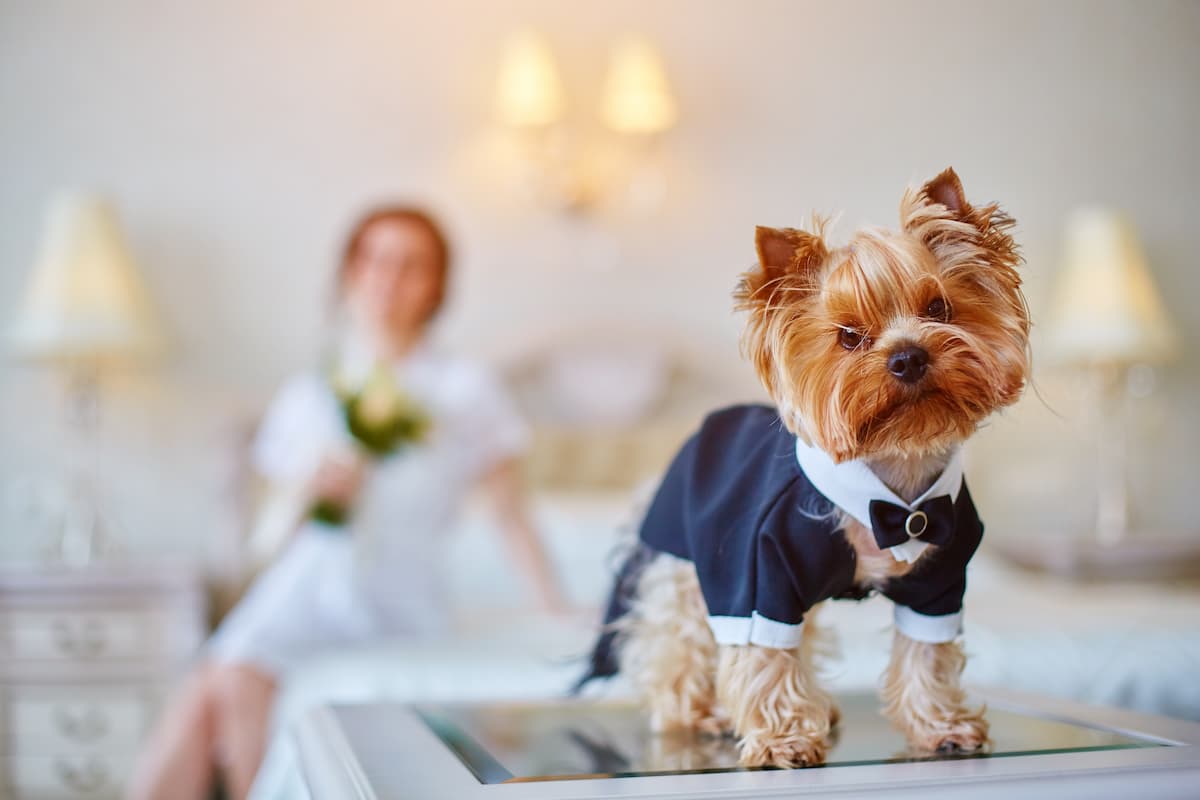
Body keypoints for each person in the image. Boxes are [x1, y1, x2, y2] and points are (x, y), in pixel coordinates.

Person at [129, 206, 567, 800]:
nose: (391, 278)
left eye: (413, 265)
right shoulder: (308, 392)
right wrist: (309, 492)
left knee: (223, 678)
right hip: (306, 584)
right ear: (350, 272)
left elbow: (509, 514)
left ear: (438, 285)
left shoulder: (464, 389)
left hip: (396, 591)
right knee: (211, 687)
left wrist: (554, 610)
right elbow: (267, 539)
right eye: (377, 259)